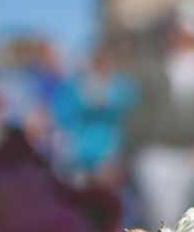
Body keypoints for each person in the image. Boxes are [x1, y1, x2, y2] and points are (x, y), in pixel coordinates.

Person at [123, 1, 194, 227]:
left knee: (186, 218)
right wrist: (132, 149)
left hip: (193, 156)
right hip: (156, 152)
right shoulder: (153, 68)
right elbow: (137, 111)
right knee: (160, 218)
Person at [51, 43, 136, 182]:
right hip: (78, 149)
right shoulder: (73, 86)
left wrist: (106, 104)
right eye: (97, 61)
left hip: (109, 149)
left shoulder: (121, 86)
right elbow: (62, 114)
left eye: (104, 62)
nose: (101, 66)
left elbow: (128, 109)